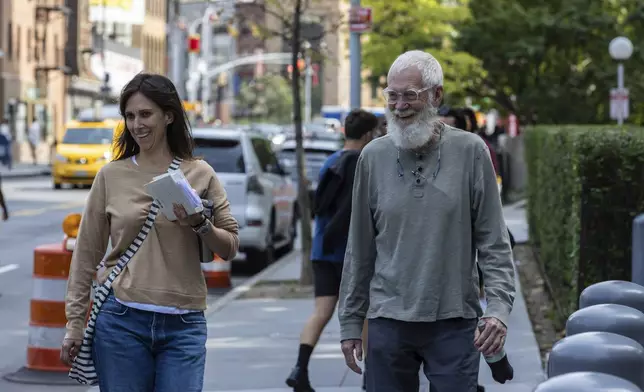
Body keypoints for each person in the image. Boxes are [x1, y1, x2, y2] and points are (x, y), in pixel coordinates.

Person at [338, 50, 516, 392]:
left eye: (410, 95)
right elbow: (359, 250)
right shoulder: (372, 157)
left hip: (454, 319)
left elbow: (494, 242)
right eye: (392, 95)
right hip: (388, 320)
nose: (399, 105)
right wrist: (350, 322)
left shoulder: (471, 151)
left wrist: (497, 309)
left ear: (436, 95)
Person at [60, 73, 240, 391]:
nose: (137, 124)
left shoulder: (200, 174)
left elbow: (229, 247)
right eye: (130, 116)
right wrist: (74, 323)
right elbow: (86, 253)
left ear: (168, 115)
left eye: (145, 114)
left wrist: (200, 222)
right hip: (121, 321)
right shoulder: (111, 175)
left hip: (184, 324)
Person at [286, 109, 379, 392]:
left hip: (322, 251)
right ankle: (369, 379)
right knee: (364, 313)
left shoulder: (331, 162)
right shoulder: (363, 162)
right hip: (350, 254)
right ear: (367, 135)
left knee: (321, 312)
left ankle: (300, 369)